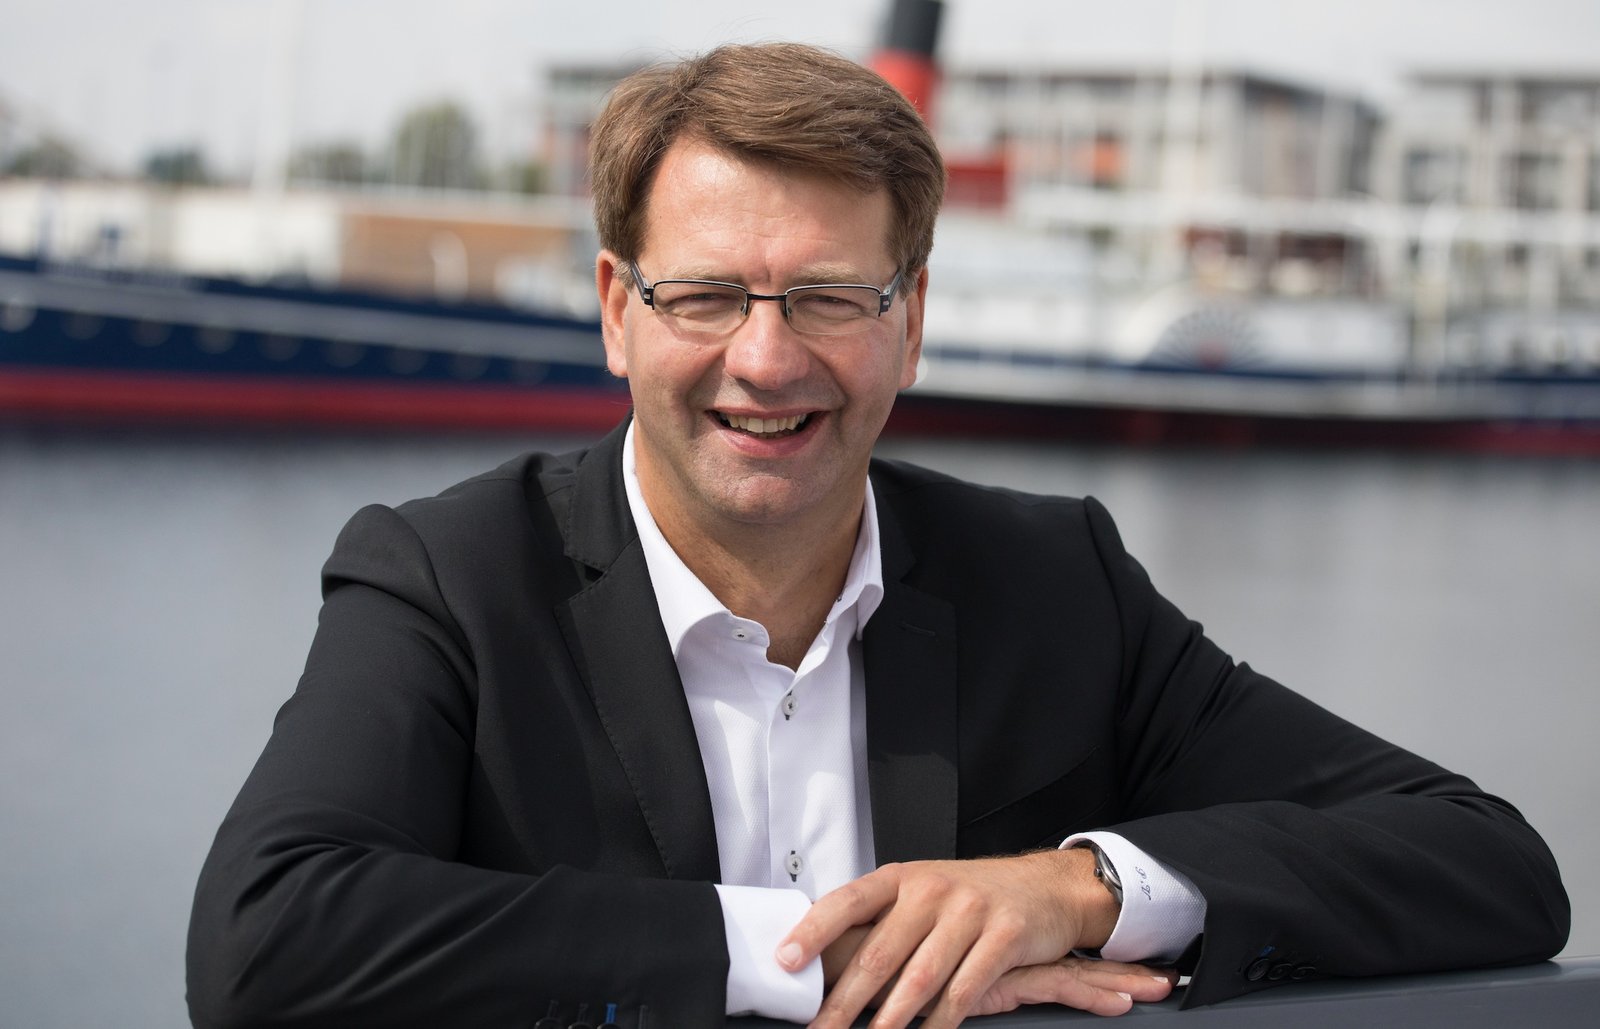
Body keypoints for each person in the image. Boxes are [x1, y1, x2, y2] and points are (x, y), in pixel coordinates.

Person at [186, 43, 1569, 1029]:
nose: (766, 358)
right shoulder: (449, 578)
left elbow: (1484, 859)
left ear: (911, 323)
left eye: (831, 297)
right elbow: (265, 936)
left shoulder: (1055, 583)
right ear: (615, 310)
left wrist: (1078, 888)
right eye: (705, 296)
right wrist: (794, 952)